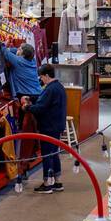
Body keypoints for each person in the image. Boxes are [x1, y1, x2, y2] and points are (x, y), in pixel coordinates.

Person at [23, 63, 67, 193]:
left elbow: (40, 108)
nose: (40, 79)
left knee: (47, 155)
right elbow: (45, 100)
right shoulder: (58, 87)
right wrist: (31, 98)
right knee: (54, 154)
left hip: (49, 127)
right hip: (57, 125)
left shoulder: (50, 89)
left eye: (41, 77)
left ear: (46, 76)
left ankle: (47, 183)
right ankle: (57, 182)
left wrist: (27, 107)